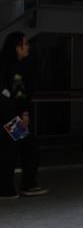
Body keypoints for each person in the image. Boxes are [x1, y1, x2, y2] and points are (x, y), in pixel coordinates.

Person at [0, 32, 47, 198]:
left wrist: (24, 112)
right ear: (17, 47)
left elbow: (22, 94)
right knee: (12, 152)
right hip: (9, 117)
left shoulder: (20, 66)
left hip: (15, 117)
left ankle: (24, 185)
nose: (28, 47)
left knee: (25, 149)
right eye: (25, 44)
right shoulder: (8, 66)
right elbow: (11, 95)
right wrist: (20, 115)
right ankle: (8, 188)